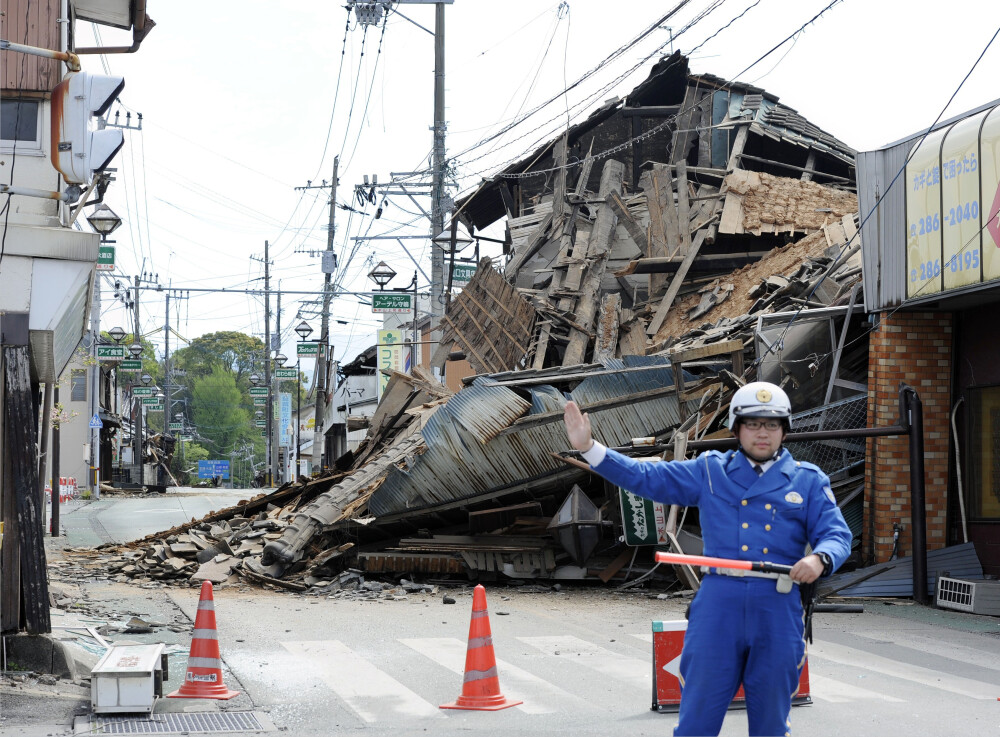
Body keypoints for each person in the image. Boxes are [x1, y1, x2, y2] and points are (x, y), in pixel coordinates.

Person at [563, 381, 851, 737]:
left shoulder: (807, 481)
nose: (763, 433)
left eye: (772, 425)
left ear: (784, 431)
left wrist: (820, 559)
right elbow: (646, 477)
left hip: (777, 608)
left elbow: (837, 535)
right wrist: (590, 449)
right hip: (718, 606)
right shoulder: (710, 471)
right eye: (753, 424)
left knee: (771, 726)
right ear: (737, 428)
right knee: (697, 721)